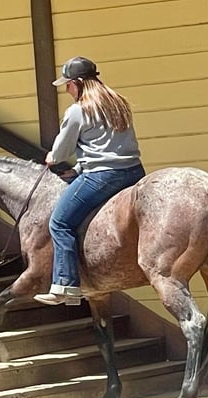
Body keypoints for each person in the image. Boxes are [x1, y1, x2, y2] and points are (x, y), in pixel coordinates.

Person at [34, 56, 145, 305]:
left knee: (60, 222)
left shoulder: (78, 111)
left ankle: (65, 285)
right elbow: (107, 145)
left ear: (79, 83)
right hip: (134, 172)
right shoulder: (118, 103)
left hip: (102, 176)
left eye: (68, 84)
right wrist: (78, 168)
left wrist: (52, 157)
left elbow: (60, 152)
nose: (66, 89)